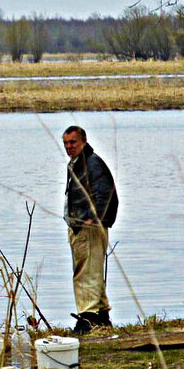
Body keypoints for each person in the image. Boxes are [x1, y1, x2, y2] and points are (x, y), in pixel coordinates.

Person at [62, 126, 119, 334]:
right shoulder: (78, 163)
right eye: (66, 143)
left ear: (83, 141)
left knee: (85, 272)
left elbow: (106, 192)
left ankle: (88, 317)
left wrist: (93, 219)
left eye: (73, 142)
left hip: (90, 228)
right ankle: (102, 316)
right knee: (91, 268)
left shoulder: (92, 162)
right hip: (79, 226)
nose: (69, 147)